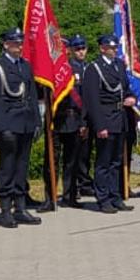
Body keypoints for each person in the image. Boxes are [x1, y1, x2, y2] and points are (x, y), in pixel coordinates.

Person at [0, 29, 41, 228]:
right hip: (8, 124)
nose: (18, 46)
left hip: (25, 122)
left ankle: (21, 207)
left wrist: (37, 123)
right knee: (7, 168)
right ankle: (6, 210)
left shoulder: (25, 66)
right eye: (14, 43)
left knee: (21, 167)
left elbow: (32, 96)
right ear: (6, 45)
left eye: (20, 43)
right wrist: (2, 128)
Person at [82, 34, 139, 213]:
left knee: (116, 161)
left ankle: (115, 196)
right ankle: (103, 198)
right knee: (104, 162)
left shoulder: (119, 65)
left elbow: (126, 88)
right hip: (105, 117)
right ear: (102, 48)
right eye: (111, 47)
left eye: (115, 47)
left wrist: (131, 97)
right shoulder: (94, 68)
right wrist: (99, 125)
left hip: (119, 117)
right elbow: (92, 100)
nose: (114, 50)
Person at [52, 34, 91, 209]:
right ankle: (50, 196)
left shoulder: (77, 69)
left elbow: (84, 97)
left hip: (73, 118)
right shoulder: (54, 69)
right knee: (53, 160)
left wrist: (83, 122)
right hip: (55, 119)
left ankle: (70, 195)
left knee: (72, 161)